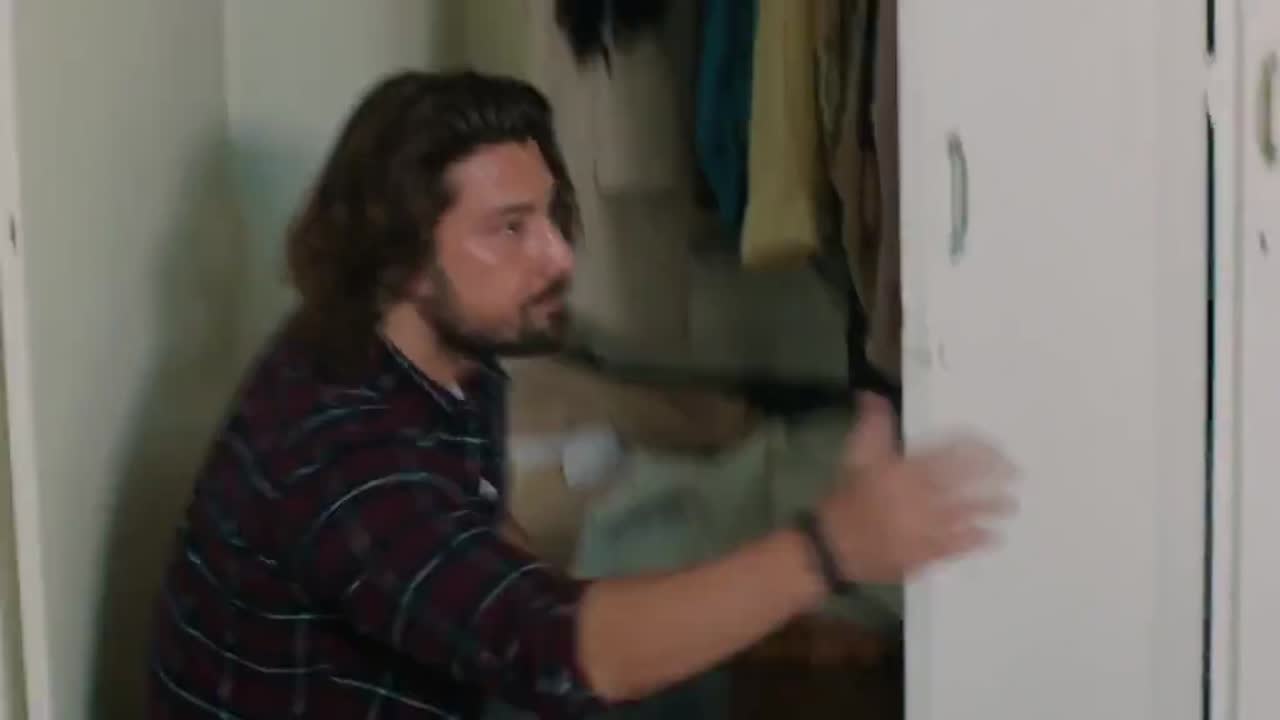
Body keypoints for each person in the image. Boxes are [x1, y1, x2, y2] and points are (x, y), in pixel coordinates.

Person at [147, 70, 1014, 719]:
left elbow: (489, 542)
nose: (559, 255)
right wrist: (834, 547)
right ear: (401, 254)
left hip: (443, 686)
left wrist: (756, 623)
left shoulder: (444, 352)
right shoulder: (346, 458)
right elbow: (559, 655)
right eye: (510, 229)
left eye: (552, 215)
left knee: (694, 666)